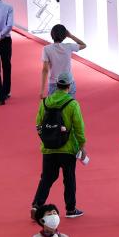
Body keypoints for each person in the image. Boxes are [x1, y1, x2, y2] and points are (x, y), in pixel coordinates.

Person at [32, 74, 86, 220]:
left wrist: (46, 139)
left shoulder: (45, 102)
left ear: (56, 85)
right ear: (69, 85)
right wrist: (82, 145)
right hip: (67, 149)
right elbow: (79, 127)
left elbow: (38, 123)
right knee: (69, 179)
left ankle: (37, 205)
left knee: (47, 177)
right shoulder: (72, 104)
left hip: (48, 148)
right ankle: (70, 209)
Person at [40, 24, 86, 97]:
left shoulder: (46, 49)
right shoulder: (69, 46)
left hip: (54, 83)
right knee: (70, 103)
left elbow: (45, 70)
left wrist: (42, 90)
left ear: (52, 34)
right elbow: (83, 45)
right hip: (69, 83)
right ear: (64, 36)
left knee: (54, 104)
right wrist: (71, 36)